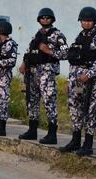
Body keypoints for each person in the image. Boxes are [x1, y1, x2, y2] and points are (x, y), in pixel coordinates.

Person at [59, 6, 96, 156]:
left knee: (90, 111)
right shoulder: (80, 36)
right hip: (76, 81)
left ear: (94, 21)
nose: (86, 23)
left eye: (89, 20)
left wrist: (90, 74)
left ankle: (88, 144)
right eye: (84, 20)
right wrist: (71, 79)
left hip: (90, 81)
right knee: (75, 109)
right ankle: (75, 140)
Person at [18, 8, 68, 144]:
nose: (45, 20)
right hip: (33, 72)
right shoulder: (37, 34)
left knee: (49, 102)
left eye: (48, 17)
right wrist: (23, 64)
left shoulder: (58, 35)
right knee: (32, 101)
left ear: (52, 19)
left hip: (47, 72)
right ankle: (32, 130)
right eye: (42, 18)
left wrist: (49, 50)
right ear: (39, 20)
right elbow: (29, 51)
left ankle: (52, 134)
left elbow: (65, 54)